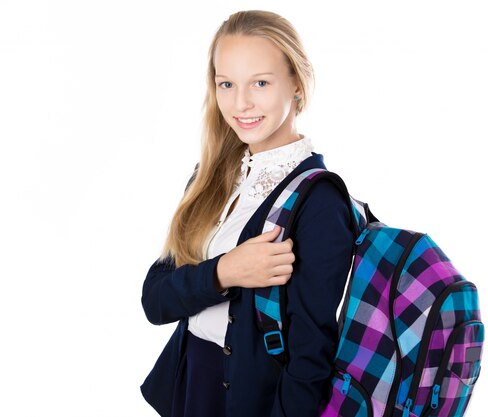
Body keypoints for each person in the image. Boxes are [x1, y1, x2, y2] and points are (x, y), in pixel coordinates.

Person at [140, 10, 356, 417]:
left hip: (248, 402)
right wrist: (226, 272)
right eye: (226, 84)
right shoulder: (210, 179)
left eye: (260, 82)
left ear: (297, 85)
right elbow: (156, 300)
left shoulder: (319, 202)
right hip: (190, 388)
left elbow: (310, 361)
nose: (240, 103)